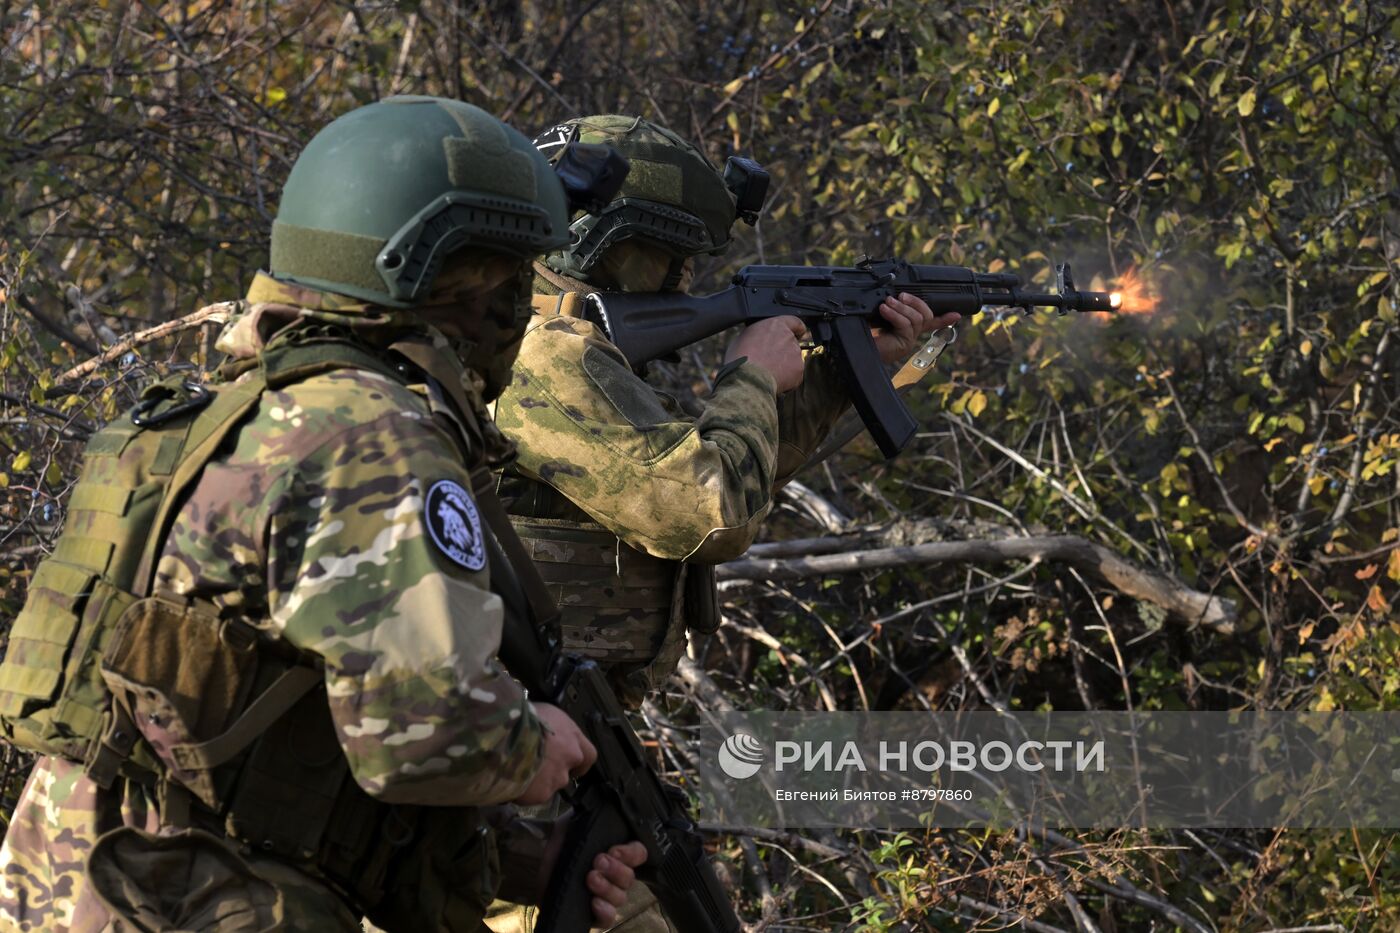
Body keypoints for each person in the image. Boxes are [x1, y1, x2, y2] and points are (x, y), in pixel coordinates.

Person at [0, 96, 643, 932]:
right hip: (206, 900)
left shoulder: (218, 420)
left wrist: (528, 858)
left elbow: (272, 738)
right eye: (513, 276)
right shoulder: (373, 436)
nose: (519, 310)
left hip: (71, 879)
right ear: (454, 277)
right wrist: (533, 743)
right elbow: (421, 732)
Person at [487, 114, 958, 932]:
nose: (677, 283)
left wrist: (846, 375)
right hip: (513, 758)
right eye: (670, 260)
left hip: (552, 748)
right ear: (614, 242)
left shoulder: (572, 346)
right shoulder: (546, 355)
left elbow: (725, 471)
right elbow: (704, 509)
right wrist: (748, 378)